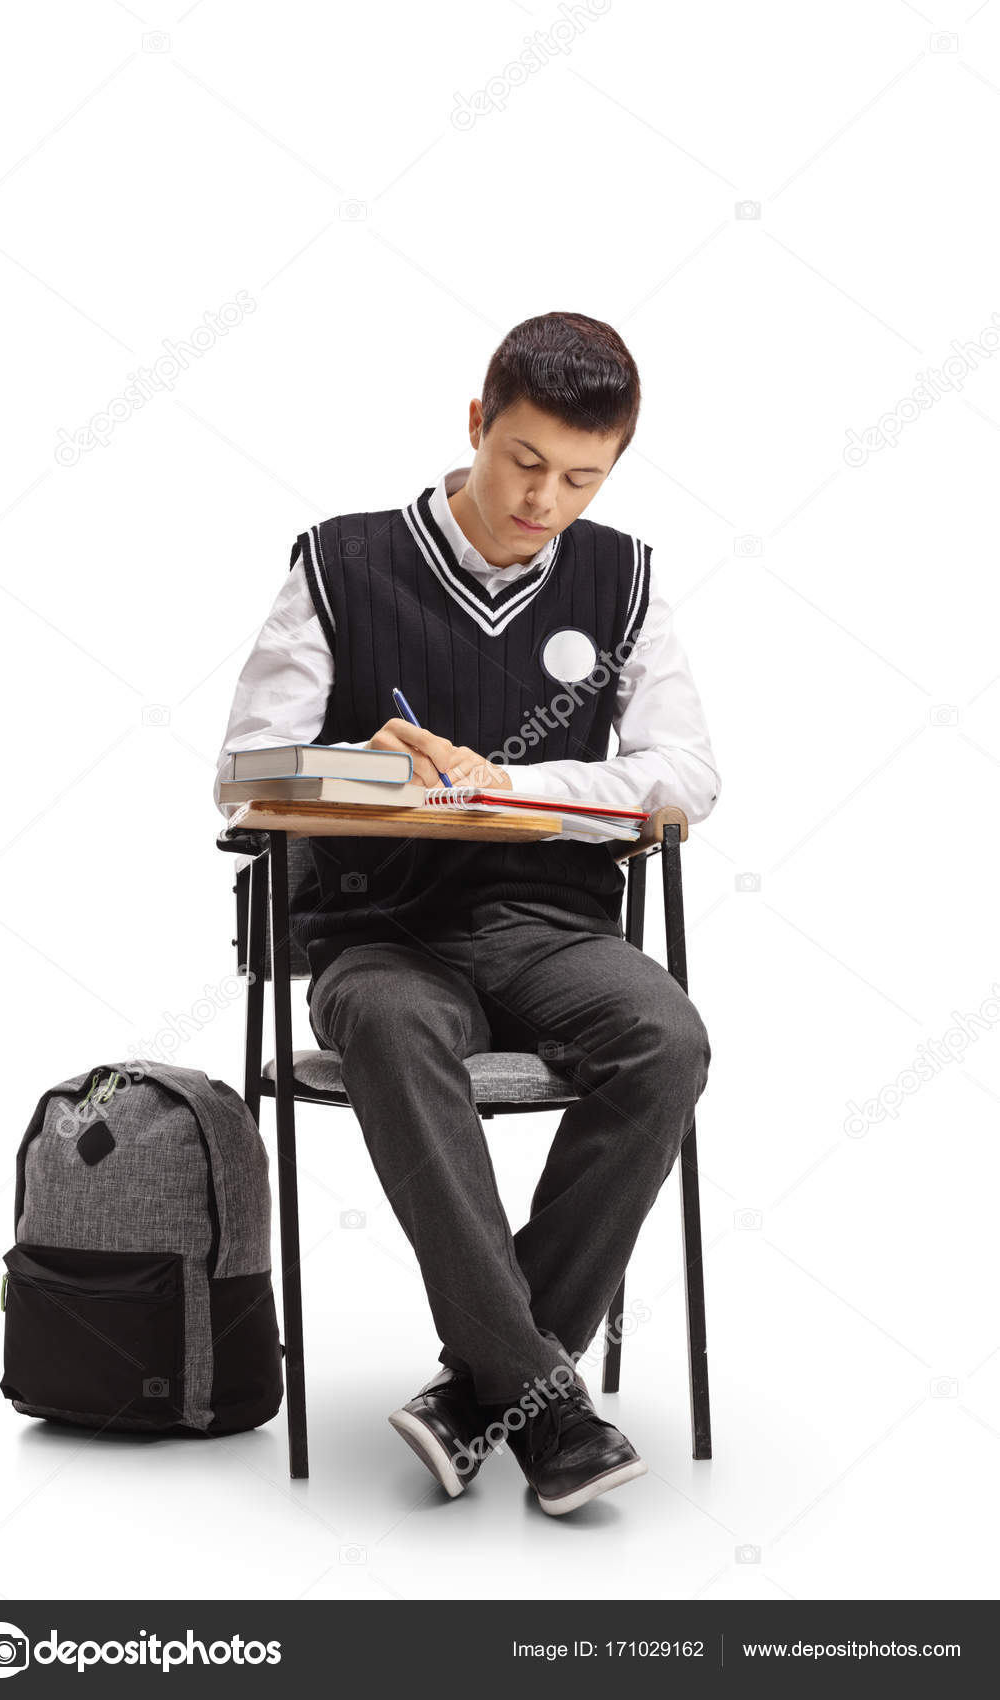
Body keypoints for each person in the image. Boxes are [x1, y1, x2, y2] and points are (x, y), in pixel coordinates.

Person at [214, 311, 720, 1516]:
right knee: (388, 1023)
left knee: (666, 1037)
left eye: (583, 478)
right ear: (477, 423)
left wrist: (500, 782)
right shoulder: (340, 562)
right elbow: (245, 768)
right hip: (379, 932)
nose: (547, 500)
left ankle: (484, 1385)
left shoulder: (624, 580)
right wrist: (365, 764)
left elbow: (684, 776)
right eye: (526, 462)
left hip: (550, 928)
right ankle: (545, 1399)